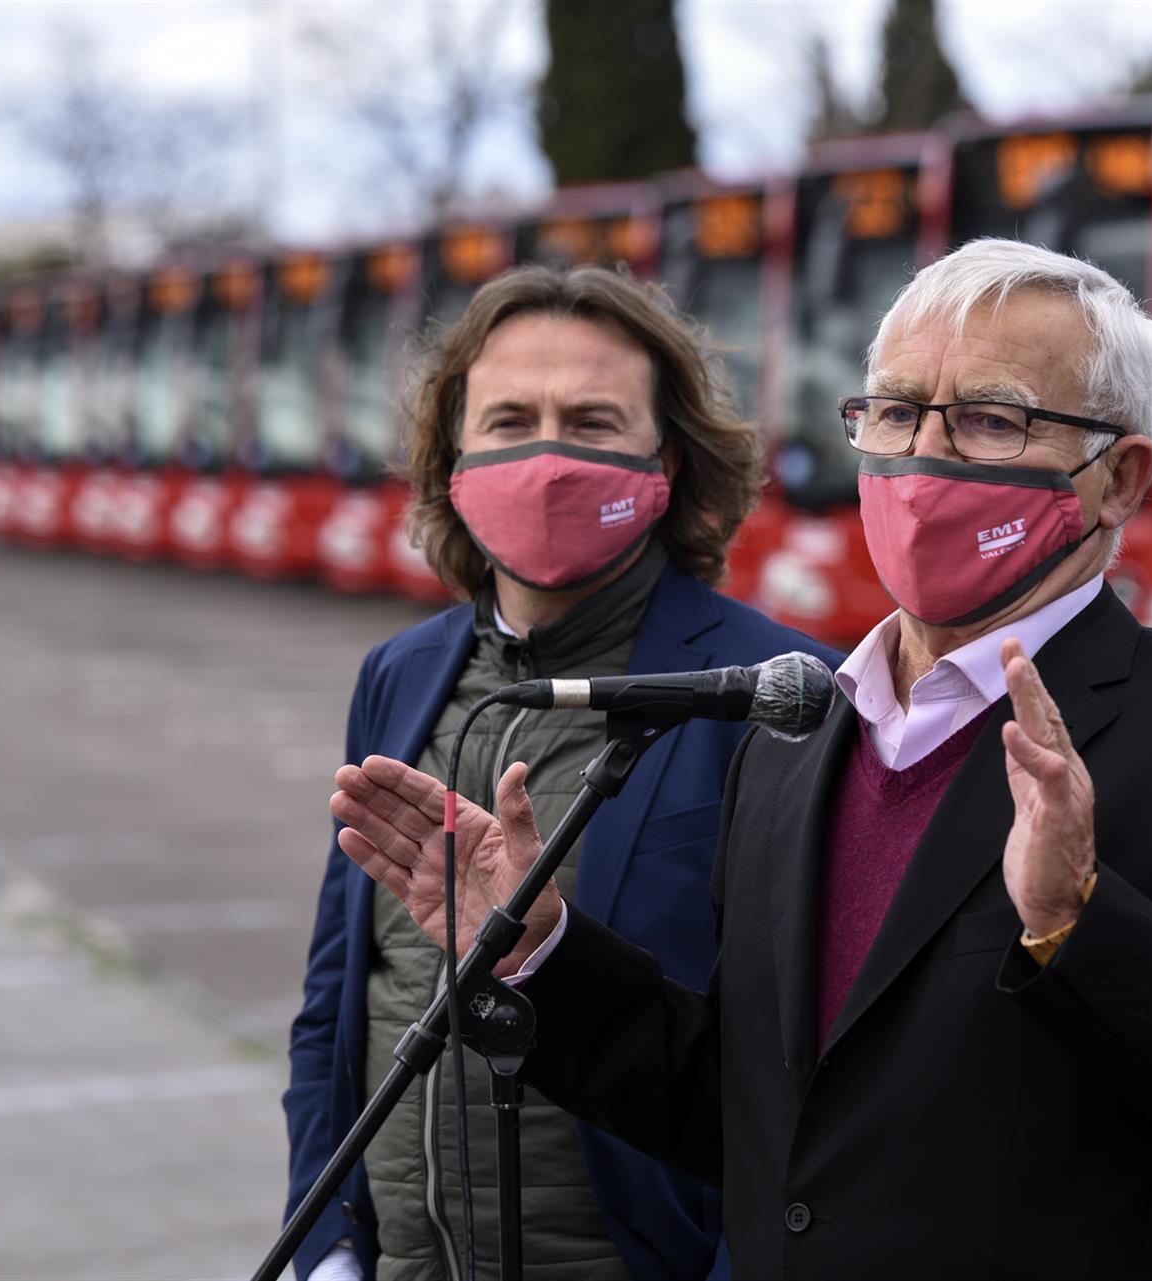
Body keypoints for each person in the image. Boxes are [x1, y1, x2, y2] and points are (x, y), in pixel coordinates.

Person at [331, 240, 1152, 1279]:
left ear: (1120, 479)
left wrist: (1083, 929)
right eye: (896, 412)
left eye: (993, 421)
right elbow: (762, 1123)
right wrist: (540, 954)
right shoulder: (797, 734)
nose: (922, 456)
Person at [285, 264, 842, 1281]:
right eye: (509, 420)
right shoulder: (400, 675)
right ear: (452, 454)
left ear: (666, 457)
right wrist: (326, 1244)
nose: (546, 455)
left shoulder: (775, 696)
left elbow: (813, 1071)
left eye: (590, 421)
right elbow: (338, 996)